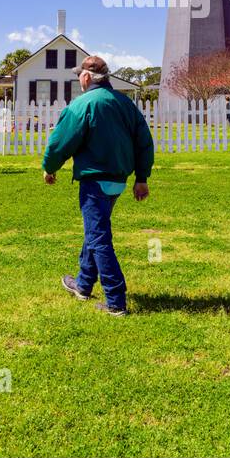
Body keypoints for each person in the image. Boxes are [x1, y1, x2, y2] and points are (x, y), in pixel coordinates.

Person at [43, 55, 153, 316]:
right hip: (119, 181)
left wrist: (50, 167)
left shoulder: (83, 104)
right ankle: (82, 285)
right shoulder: (126, 104)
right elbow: (144, 142)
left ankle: (115, 300)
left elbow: (61, 142)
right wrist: (142, 178)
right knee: (95, 230)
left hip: (95, 180)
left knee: (98, 236)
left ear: (86, 77)